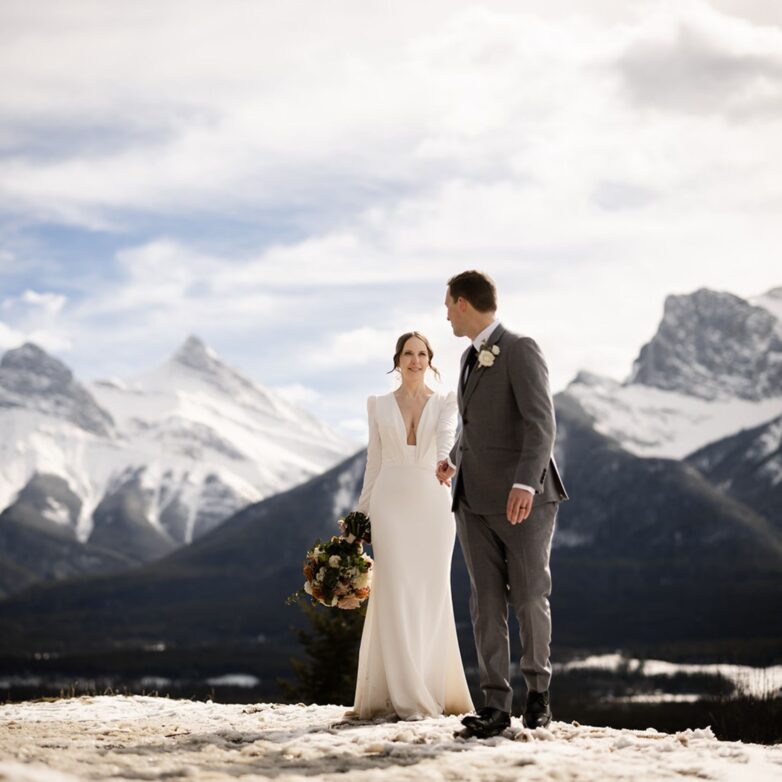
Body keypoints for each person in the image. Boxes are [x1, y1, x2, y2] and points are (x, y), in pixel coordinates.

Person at [436, 270, 568, 738]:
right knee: (484, 602)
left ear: (464, 303)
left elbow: (541, 424)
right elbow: (473, 426)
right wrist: (452, 459)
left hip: (522, 500)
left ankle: (538, 694)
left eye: (448, 305)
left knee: (530, 597)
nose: (446, 313)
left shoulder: (520, 348)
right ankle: (495, 704)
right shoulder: (468, 358)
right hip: (471, 498)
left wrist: (525, 485)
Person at [350, 331, 474, 720]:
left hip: (434, 502)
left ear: (430, 360)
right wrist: (360, 515)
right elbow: (374, 462)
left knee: (432, 593)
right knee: (394, 591)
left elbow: (446, 441)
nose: (415, 360)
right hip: (390, 503)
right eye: (408, 353)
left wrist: (442, 463)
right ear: (397, 359)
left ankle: (433, 685)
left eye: (422, 354)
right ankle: (401, 693)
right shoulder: (378, 405)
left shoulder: (445, 402)